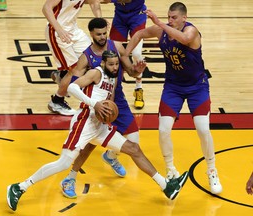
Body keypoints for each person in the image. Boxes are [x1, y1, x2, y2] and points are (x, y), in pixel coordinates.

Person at [7, 50, 189, 211]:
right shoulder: (96, 72)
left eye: (117, 63)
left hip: (100, 126)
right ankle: (19, 187)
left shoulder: (113, 78)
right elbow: (72, 87)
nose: (115, 66)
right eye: (111, 64)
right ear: (103, 63)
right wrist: (95, 104)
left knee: (134, 148)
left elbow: (108, 101)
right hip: (84, 121)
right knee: (63, 163)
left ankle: (166, 186)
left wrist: (108, 112)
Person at [124, 2, 223, 194]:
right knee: (163, 131)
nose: (170, 20)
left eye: (174, 17)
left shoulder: (191, 31)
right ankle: (170, 170)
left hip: (197, 87)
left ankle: (211, 170)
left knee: (203, 129)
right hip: (173, 87)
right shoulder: (162, 30)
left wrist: (160, 23)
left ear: (184, 18)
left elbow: (185, 40)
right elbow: (138, 34)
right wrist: (125, 56)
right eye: (168, 17)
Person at [60, 17, 142, 199]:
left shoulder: (117, 47)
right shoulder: (86, 57)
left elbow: (131, 71)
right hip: (97, 105)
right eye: (99, 34)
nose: (103, 37)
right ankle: (71, 177)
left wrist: (138, 70)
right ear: (91, 34)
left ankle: (111, 156)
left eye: (105, 33)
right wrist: (64, 85)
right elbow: (75, 84)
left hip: (117, 100)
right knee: (88, 146)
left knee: (134, 140)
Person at [43, 0, 102, 116]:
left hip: (73, 29)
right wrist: (59, 30)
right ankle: (57, 101)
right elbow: (46, 8)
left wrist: (100, 21)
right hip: (57, 31)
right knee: (76, 69)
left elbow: (94, 2)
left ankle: (62, 77)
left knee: (91, 57)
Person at [102, 0, 147, 109]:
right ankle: (112, 90)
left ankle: (138, 88)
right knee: (112, 53)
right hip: (120, 15)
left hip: (137, 15)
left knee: (136, 53)